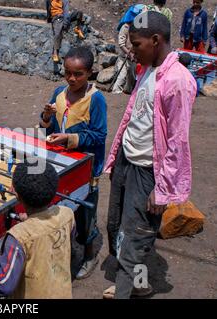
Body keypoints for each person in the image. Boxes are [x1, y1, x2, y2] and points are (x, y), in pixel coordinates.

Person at [104, 11, 197, 299]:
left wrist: (163, 188)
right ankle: (140, 284)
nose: (131, 50)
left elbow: (177, 141)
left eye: (136, 43)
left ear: (155, 40)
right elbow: (137, 116)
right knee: (116, 226)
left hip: (148, 172)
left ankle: (125, 289)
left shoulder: (178, 81)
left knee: (134, 239)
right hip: (127, 161)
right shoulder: (146, 69)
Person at [0, 162, 74, 298]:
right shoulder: (67, 214)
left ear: (16, 194)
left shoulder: (18, 236)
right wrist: (32, 221)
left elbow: (2, 283)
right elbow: (52, 236)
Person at [40, 46, 107, 280]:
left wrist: (70, 138)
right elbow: (46, 127)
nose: (71, 78)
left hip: (86, 170)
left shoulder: (96, 100)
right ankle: (65, 252)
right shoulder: (59, 93)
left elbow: (99, 135)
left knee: (85, 214)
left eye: (78, 74)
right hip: (61, 165)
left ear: (89, 73)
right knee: (61, 211)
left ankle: (89, 255)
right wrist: (47, 117)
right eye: (68, 72)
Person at [112, 4, 146, 94]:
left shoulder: (139, 28)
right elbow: (121, 43)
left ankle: (128, 92)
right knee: (121, 76)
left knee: (132, 77)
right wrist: (128, 53)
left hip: (134, 57)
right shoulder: (125, 27)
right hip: (124, 56)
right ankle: (115, 93)